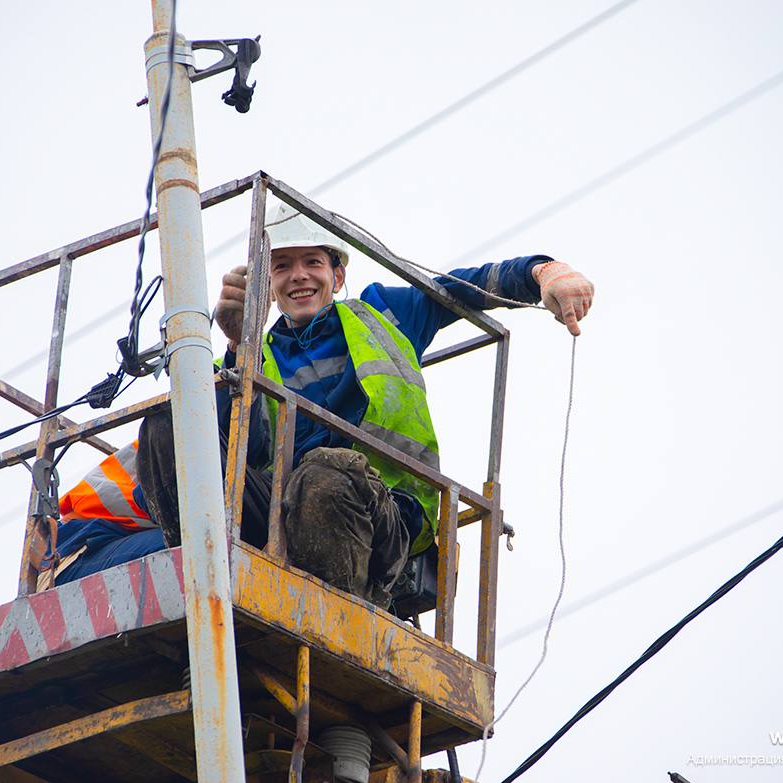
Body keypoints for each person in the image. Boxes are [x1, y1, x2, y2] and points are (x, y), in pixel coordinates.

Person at [47, 205, 594, 608]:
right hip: (285, 518)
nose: (299, 276)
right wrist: (237, 348)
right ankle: (202, 588)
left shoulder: (383, 314)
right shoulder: (254, 354)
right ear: (265, 281)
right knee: (170, 421)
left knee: (324, 473)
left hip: (383, 519)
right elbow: (226, 451)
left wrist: (545, 273)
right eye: (282, 266)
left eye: (312, 262)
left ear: (338, 274)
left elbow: (466, 288)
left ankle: (337, 618)